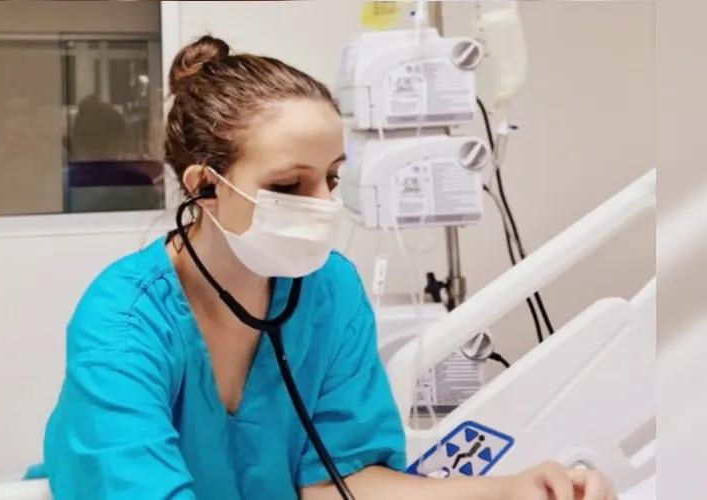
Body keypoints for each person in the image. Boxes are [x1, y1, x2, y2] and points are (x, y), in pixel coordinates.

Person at [36, 35, 617, 500]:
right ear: (204, 187)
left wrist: (509, 492)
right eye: (290, 184)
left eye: (332, 179)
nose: (324, 206)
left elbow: (341, 481)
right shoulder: (122, 321)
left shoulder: (329, 290)